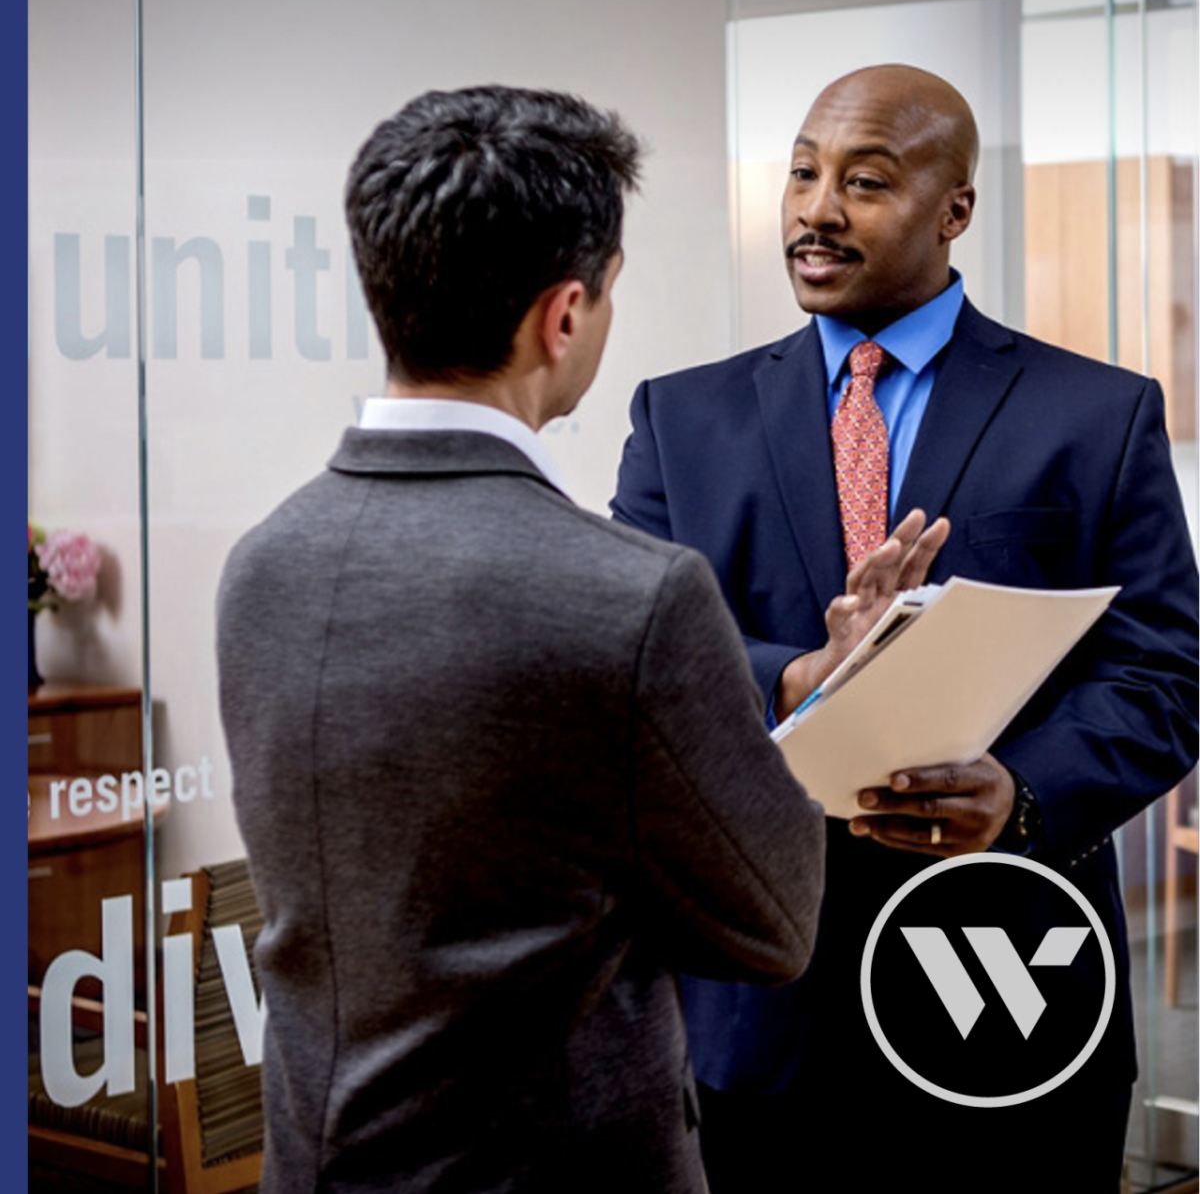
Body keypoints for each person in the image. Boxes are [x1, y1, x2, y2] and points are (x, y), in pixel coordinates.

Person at [216, 84, 945, 1194]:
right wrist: (830, 694)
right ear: (565, 316)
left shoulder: (262, 563)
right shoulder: (632, 595)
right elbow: (773, 920)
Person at [612, 64, 1199, 1192]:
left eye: (865, 181)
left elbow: (1166, 675)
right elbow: (629, 661)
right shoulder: (680, 418)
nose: (815, 208)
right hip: (754, 1006)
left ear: (955, 210)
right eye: (802, 173)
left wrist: (1018, 794)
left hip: (1008, 976)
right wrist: (797, 676)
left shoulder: (1099, 414)